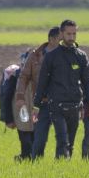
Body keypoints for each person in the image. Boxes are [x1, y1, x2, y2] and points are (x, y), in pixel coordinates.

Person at [33, 20, 89, 160]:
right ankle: (60, 168)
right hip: (56, 105)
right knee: (62, 141)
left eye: (74, 34)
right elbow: (42, 82)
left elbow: (88, 82)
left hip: (75, 105)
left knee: (70, 144)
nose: (71, 37)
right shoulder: (52, 57)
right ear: (61, 34)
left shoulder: (81, 56)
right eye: (68, 34)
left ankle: (65, 170)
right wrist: (36, 104)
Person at [18, 27, 60, 160]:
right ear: (52, 39)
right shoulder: (35, 55)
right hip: (42, 102)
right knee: (39, 139)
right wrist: (20, 96)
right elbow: (24, 76)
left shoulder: (67, 55)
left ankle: (63, 165)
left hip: (62, 102)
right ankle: (37, 164)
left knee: (64, 139)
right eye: (60, 39)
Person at [0, 61, 33, 160]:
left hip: (31, 113)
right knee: (26, 137)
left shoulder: (39, 74)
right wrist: (9, 119)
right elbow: (6, 97)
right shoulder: (14, 76)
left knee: (29, 137)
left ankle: (27, 157)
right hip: (21, 112)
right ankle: (27, 157)